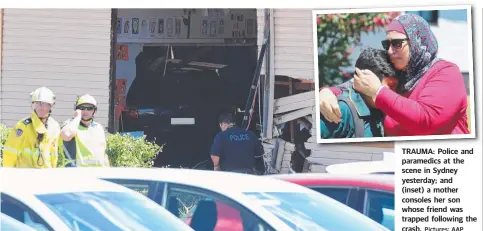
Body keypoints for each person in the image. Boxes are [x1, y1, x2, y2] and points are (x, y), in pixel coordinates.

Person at [319, 13, 469, 136]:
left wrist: (378, 92)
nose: (390, 50)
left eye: (397, 43)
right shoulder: (404, 75)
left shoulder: (445, 72)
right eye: (387, 44)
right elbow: (358, 83)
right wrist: (327, 92)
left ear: (417, 41)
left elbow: (426, 120)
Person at [320, 47, 399, 139]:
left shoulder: (385, 109)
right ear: (365, 81)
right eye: (391, 85)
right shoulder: (340, 110)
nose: (395, 94)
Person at [2, 87, 60, 168]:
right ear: (34, 104)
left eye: (45, 103)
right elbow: (10, 153)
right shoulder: (23, 126)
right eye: (38, 103)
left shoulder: (55, 127)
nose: (41, 106)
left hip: (46, 176)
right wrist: (8, 175)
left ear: (51, 105)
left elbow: (54, 154)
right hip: (25, 176)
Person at [59, 94, 110, 167]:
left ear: (94, 111)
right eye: (82, 108)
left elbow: (104, 154)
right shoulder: (71, 124)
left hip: (98, 174)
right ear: (77, 110)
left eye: (89, 108)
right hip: (76, 174)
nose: (85, 111)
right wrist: (77, 117)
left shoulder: (98, 127)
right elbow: (66, 135)